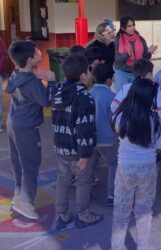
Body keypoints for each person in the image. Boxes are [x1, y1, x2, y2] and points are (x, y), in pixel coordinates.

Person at [110, 78, 161, 250]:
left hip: (126, 169)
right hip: (148, 169)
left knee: (121, 212)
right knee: (144, 212)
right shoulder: (154, 120)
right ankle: (143, 246)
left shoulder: (119, 117)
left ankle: (117, 247)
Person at [50, 55, 103, 229]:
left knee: (63, 180)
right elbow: (85, 129)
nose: (89, 74)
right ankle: (84, 214)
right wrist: (85, 155)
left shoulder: (57, 91)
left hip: (61, 148)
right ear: (83, 76)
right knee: (83, 181)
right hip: (77, 151)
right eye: (88, 71)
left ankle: (63, 215)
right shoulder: (84, 98)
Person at [6, 40, 55, 220]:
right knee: (30, 164)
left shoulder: (17, 73)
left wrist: (37, 77)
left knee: (18, 161)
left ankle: (18, 194)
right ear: (29, 60)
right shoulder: (31, 83)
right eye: (36, 53)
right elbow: (46, 101)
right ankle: (26, 202)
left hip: (14, 122)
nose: (40, 54)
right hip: (26, 128)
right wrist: (49, 81)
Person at [88, 63, 118, 206]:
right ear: (108, 80)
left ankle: (86, 189)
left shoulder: (88, 93)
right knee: (114, 163)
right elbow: (115, 119)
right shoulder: (112, 96)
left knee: (91, 164)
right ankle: (112, 195)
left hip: (90, 138)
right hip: (107, 139)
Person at [111, 58, 161, 131]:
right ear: (149, 74)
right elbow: (160, 112)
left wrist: (125, 120)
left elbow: (114, 106)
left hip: (130, 129)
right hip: (148, 128)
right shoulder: (155, 89)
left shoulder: (126, 87)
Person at [114, 16, 157, 93]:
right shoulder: (117, 40)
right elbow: (117, 60)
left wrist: (149, 52)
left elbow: (145, 58)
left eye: (133, 25)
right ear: (123, 28)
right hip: (122, 73)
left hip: (137, 73)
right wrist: (127, 54)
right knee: (123, 97)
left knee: (136, 97)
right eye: (129, 26)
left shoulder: (140, 39)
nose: (132, 28)